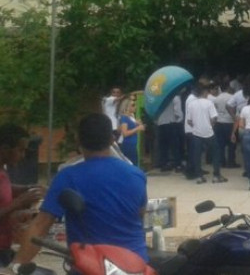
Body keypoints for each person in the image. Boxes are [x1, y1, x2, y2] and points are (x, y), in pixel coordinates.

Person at [11, 113, 148, 271]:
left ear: (78, 141)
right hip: (136, 264)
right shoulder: (136, 175)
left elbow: (40, 226)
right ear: (112, 139)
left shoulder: (68, 177)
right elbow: (140, 214)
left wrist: (16, 264)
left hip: (93, 267)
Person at [0, 124, 44, 267]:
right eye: (20, 150)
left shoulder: (2, 170)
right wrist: (19, 202)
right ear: (5, 149)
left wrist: (26, 188)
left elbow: (4, 188)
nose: (23, 155)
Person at [187, 82, 224, 184]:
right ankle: (216, 175)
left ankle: (199, 176)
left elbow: (189, 121)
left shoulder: (191, 104)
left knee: (197, 155)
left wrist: (196, 126)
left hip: (196, 133)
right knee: (216, 153)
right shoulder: (209, 103)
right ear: (204, 92)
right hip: (209, 132)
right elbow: (214, 118)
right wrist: (211, 125)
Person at [155, 94, 183, 172]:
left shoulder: (158, 98)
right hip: (171, 123)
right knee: (175, 146)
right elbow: (178, 112)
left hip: (160, 124)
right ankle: (177, 165)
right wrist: (179, 120)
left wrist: (157, 121)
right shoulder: (175, 97)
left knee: (163, 146)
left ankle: (164, 164)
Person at [118, 98, 146, 166]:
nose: (135, 106)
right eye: (133, 105)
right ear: (127, 106)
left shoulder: (132, 116)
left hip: (132, 144)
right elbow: (125, 133)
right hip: (127, 144)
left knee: (134, 163)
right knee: (131, 164)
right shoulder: (124, 117)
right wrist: (137, 128)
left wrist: (138, 124)